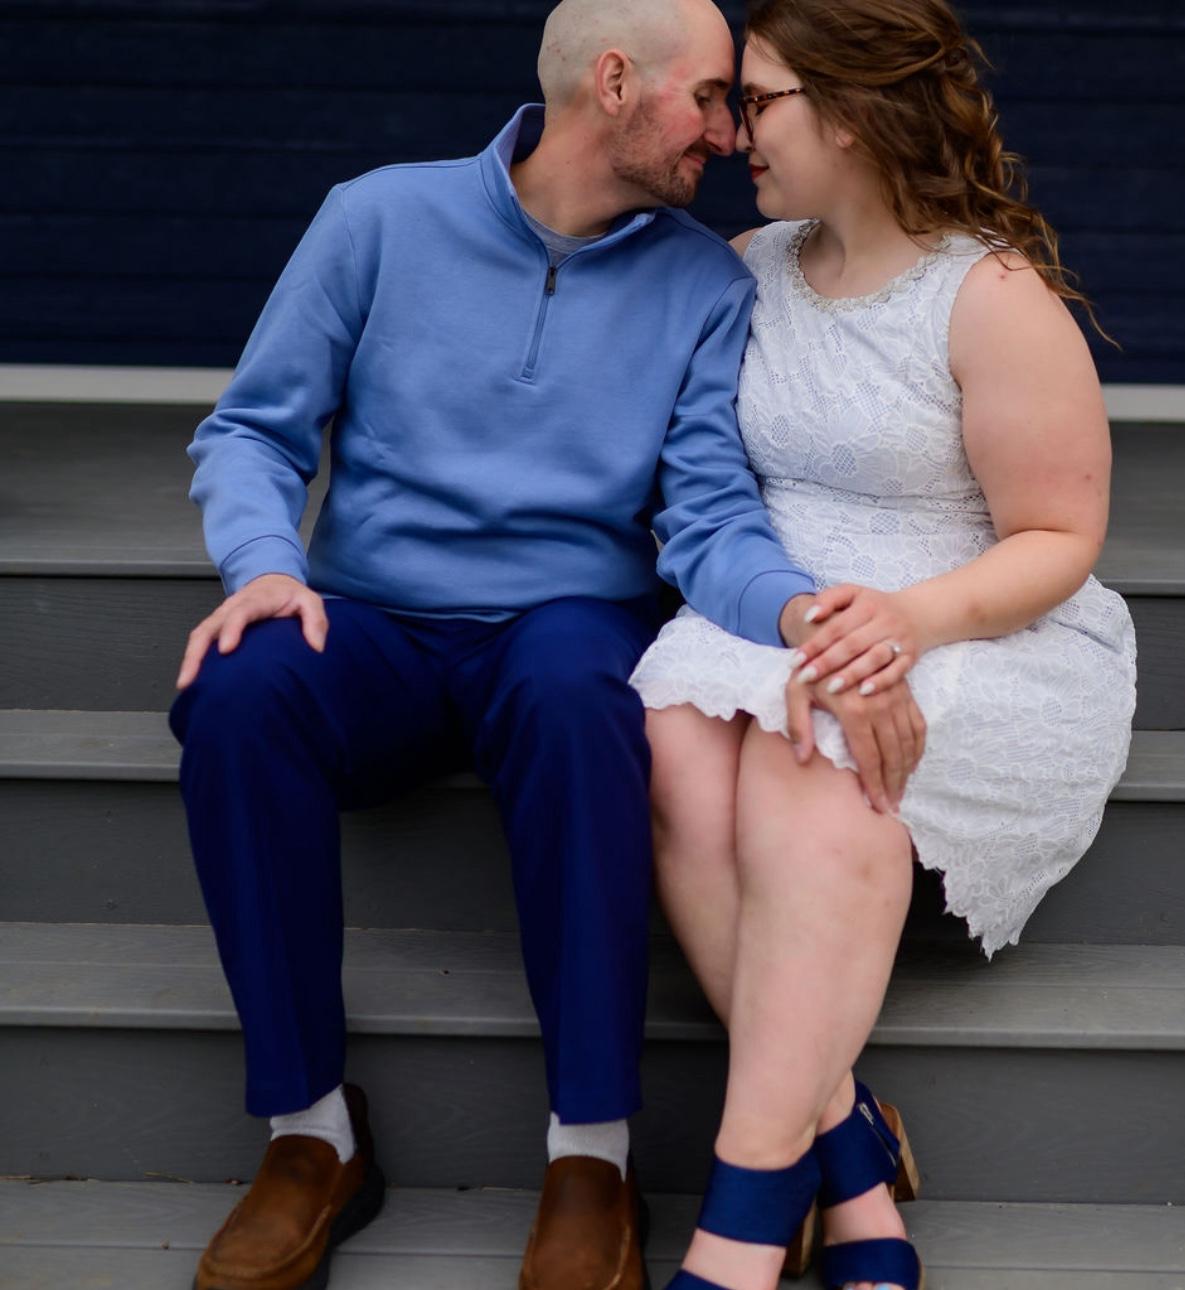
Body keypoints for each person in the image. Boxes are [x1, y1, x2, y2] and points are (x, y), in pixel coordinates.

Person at [165, 2, 918, 1288]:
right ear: (615, 83)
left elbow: (710, 513)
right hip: (378, 626)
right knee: (238, 690)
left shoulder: (700, 279)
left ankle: (591, 1154)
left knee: (581, 694)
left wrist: (797, 613)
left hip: (563, 629)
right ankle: (310, 1136)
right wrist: (265, 569)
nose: (730, 134)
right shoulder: (377, 220)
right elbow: (253, 431)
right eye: (714, 99)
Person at [628, 0, 1138, 1286]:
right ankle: (848, 1153)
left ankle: (743, 1222)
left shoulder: (989, 294)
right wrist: (817, 619)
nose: (733, 129)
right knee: (678, 749)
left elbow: (1059, 532)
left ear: (850, 117)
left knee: (814, 754)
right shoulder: (747, 268)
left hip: (973, 618)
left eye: (759, 99)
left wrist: (906, 623)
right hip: (786, 611)